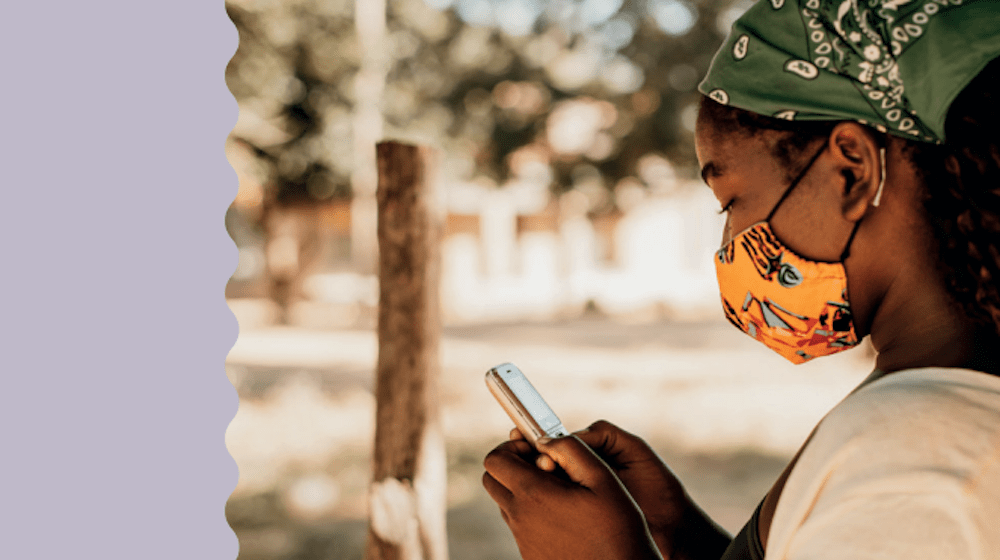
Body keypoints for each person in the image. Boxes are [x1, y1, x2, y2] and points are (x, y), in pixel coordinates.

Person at [482, 1, 1000, 558]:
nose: (730, 245)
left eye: (730, 202)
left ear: (851, 171)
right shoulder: (928, 403)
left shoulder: (918, 459)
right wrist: (676, 529)